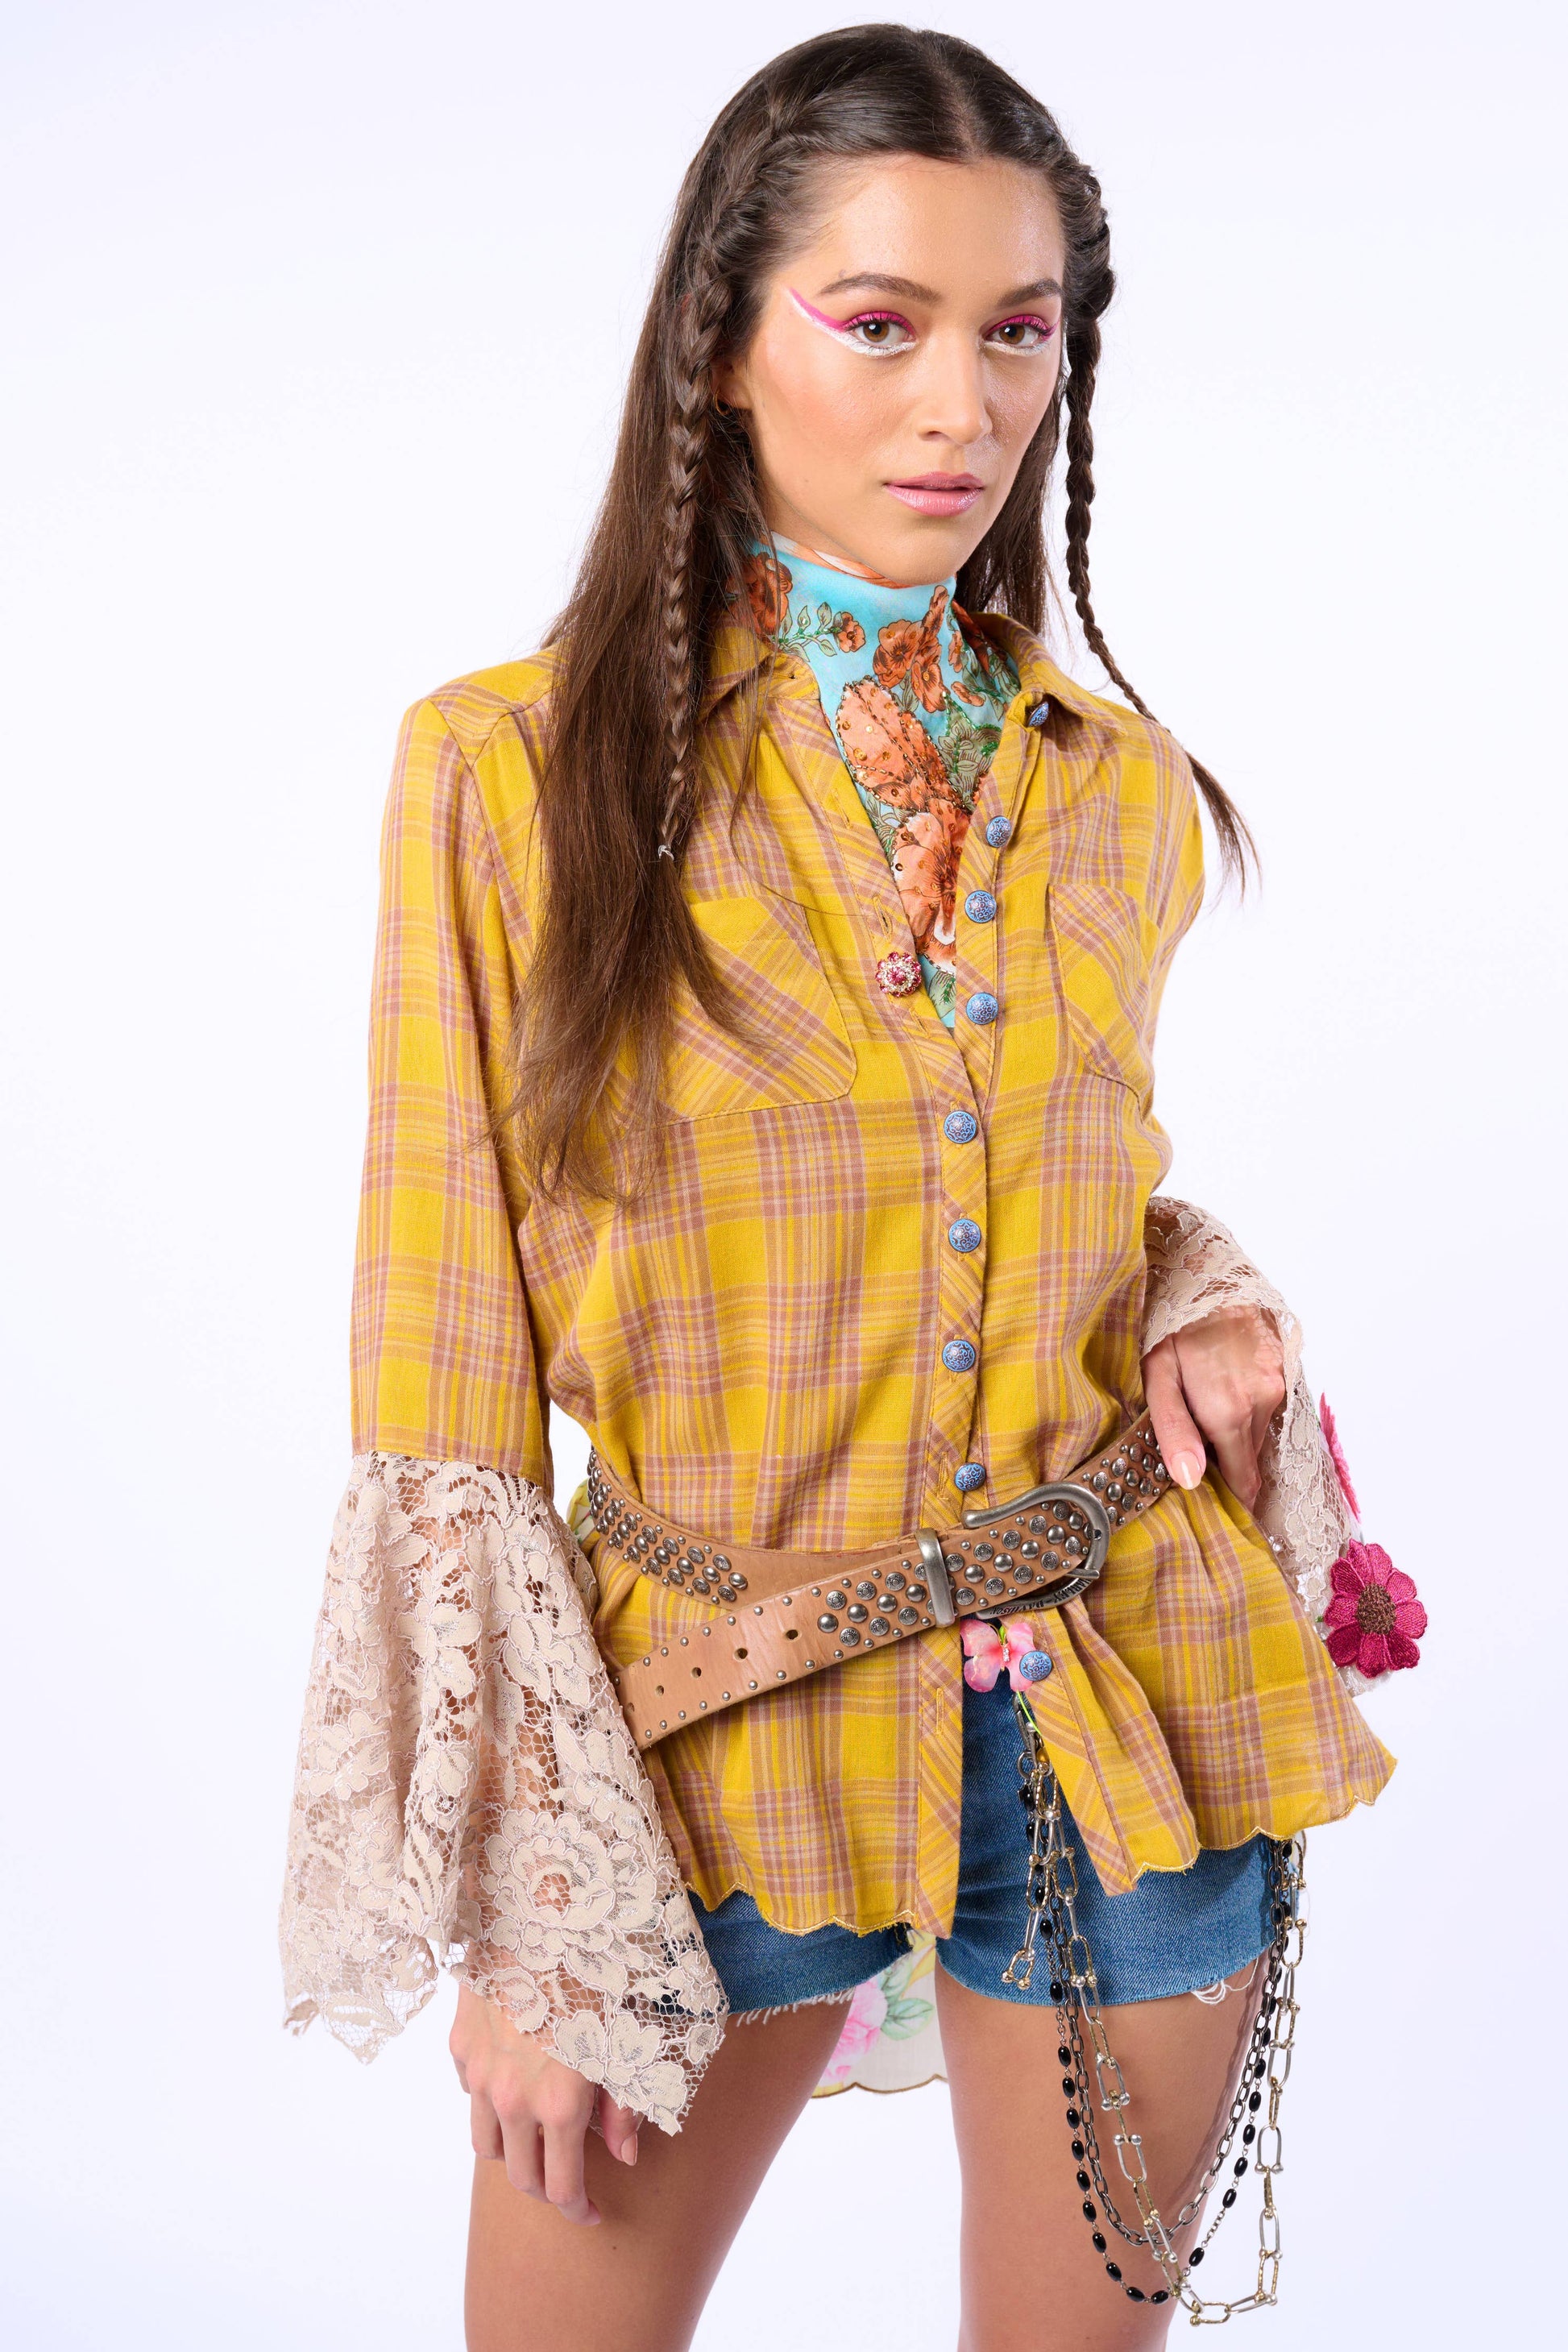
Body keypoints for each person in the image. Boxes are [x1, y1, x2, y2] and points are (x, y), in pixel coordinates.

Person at [280, 27, 1412, 2350]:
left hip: (1113, 1694)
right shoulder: (506, 773)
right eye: (879, 323)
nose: (961, 407)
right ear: (721, 346)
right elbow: (443, 1376)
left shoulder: (1116, 792)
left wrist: (1199, 1289)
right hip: (706, 1732)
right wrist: (527, 1900)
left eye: (1019, 334)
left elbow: (1048, 1169)